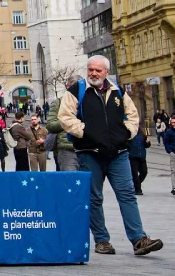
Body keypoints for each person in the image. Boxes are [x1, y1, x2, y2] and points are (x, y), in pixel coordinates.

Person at [58, 55, 162, 256]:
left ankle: (139, 239)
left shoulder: (118, 91)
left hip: (118, 153)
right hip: (89, 153)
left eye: (98, 70)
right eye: (91, 69)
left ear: (106, 71)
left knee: (127, 195)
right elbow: (65, 117)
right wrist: (85, 131)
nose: (93, 73)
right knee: (94, 198)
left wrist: (126, 134)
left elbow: (133, 116)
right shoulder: (77, 91)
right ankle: (102, 240)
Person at [45, 77, 81, 171]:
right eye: (73, 86)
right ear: (67, 87)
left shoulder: (87, 100)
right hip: (67, 148)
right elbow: (50, 125)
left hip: (88, 148)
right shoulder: (58, 102)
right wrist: (69, 121)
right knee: (69, 181)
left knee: (88, 182)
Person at [129, 128, 150, 195]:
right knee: (134, 174)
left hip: (142, 157)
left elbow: (147, 145)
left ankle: (135, 184)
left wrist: (148, 142)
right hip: (132, 157)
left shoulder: (142, 135)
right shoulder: (129, 135)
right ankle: (138, 190)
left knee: (144, 172)